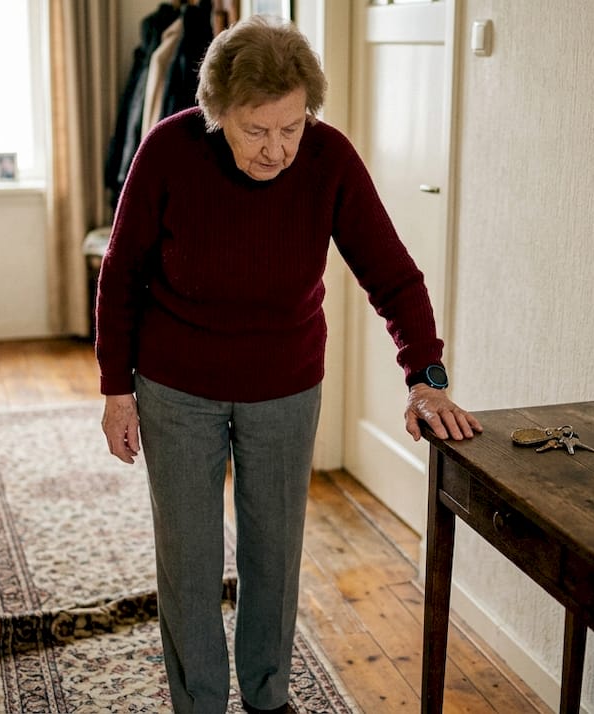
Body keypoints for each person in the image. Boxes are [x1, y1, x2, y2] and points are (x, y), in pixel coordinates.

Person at [94, 15, 482, 714]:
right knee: (189, 559)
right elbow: (121, 275)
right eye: (256, 131)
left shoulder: (329, 159)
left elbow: (392, 274)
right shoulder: (169, 150)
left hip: (284, 386)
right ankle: (198, 702)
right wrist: (116, 389)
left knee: (273, 554)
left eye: (291, 127)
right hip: (176, 385)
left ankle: (268, 696)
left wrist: (426, 375)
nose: (277, 150)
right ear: (217, 114)